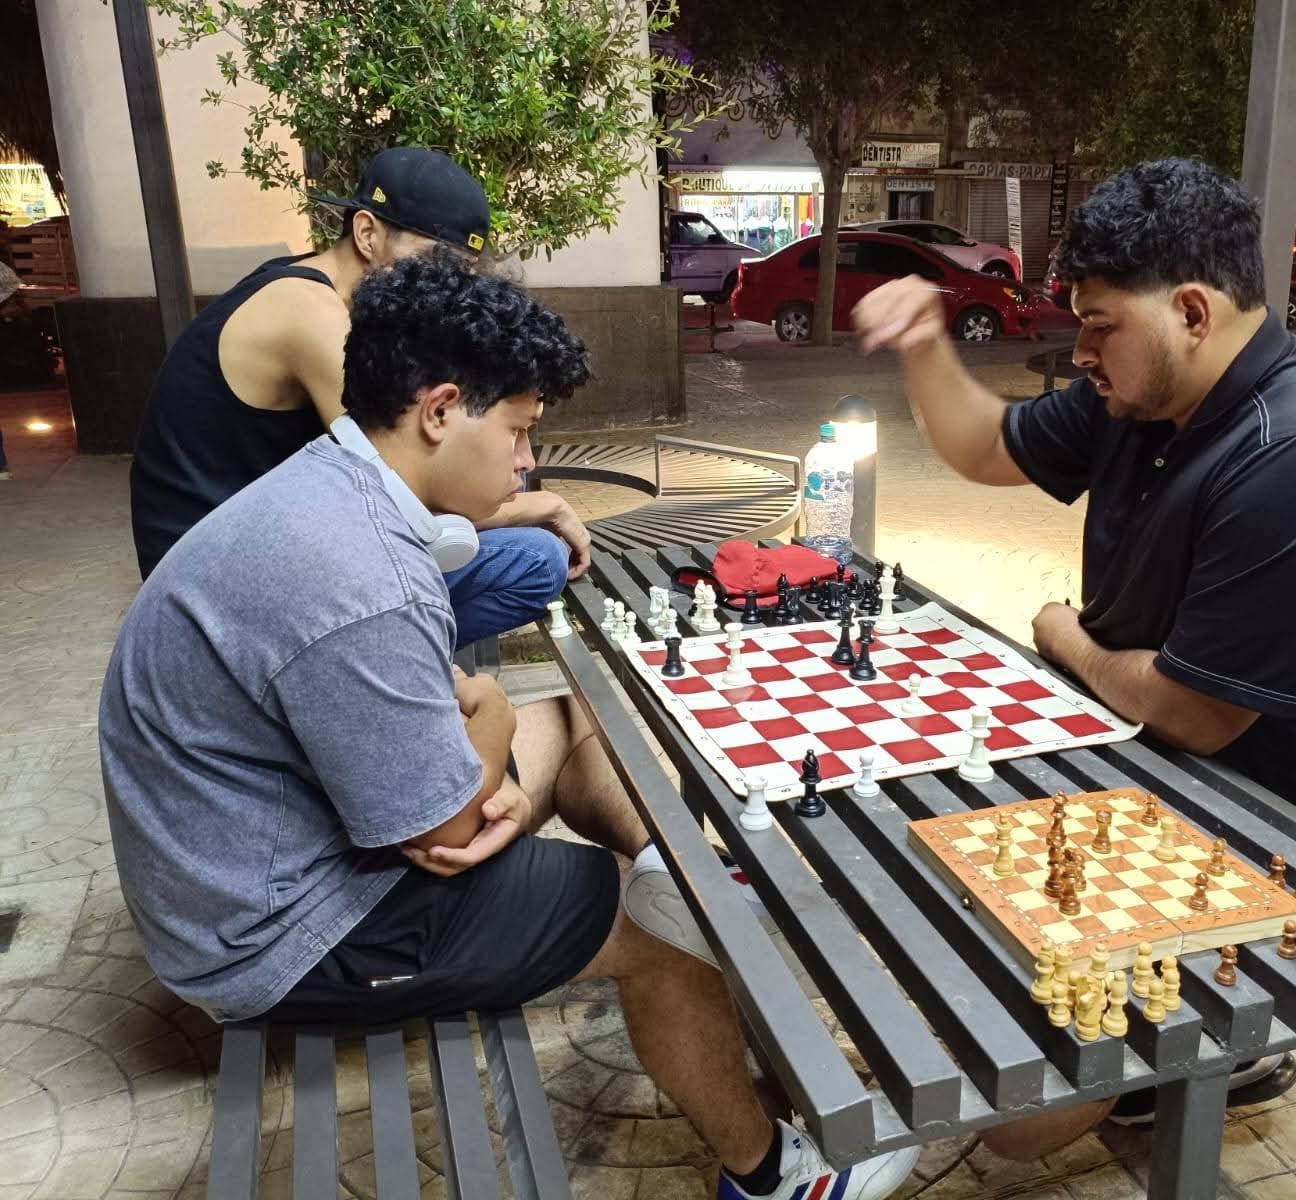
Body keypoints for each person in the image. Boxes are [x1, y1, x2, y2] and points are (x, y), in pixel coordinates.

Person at [99, 251, 918, 1200]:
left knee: (566, 716)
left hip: (259, 847)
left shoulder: (331, 488)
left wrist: (485, 764)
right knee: (661, 930)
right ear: (440, 410)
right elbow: (446, 832)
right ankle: (774, 1175)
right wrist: (485, 728)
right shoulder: (361, 572)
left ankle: (678, 867)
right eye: (521, 430)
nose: (529, 461)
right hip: (278, 931)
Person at [854, 157, 1296, 1132]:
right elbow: (985, 445)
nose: (1081, 352)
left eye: (1099, 324)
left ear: (1191, 312)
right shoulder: (1142, 396)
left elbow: (1196, 714)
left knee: (1019, 1122)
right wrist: (925, 342)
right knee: (900, 853)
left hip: (1258, 843)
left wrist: (1063, 637)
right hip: (1133, 776)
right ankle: (1139, 1048)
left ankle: (1224, 1052)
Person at [128, 146, 586, 648]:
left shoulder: (315, 290)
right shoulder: (310, 314)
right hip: (227, 590)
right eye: (437, 262)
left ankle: (398, 659)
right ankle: (393, 663)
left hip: (240, 558)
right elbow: (401, 490)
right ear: (367, 233)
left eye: (465, 271)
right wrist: (543, 505)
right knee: (536, 558)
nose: (448, 285)